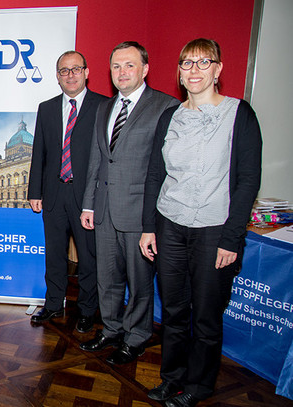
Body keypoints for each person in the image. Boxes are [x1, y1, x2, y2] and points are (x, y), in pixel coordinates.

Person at [139, 38, 261, 407]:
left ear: (218, 70)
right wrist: (148, 227)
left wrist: (231, 238)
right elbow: (155, 174)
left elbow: (247, 181)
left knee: (206, 315)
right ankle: (171, 378)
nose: (193, 70)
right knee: (174, 311)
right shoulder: (170, 116)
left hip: (214, 229)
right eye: (186, 63)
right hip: (170, 224)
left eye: (203, 62)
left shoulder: (239, 114)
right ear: (179, 71)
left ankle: (199, 385)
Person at [79, 41, 179, 365]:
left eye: (130, 65)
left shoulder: (166, 107)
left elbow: (166, 168)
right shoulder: (104, 108)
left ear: (145, 69)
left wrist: (155, 219)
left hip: (140, 215)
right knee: (107, 277)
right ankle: (111, 329)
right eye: (116, 67)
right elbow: (97, 157)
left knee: (139, 283)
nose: (122, 72)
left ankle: (136, 337)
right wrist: (88, 205)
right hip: (105, 211)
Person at [28, 51, 107, 332]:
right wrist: (34, 192)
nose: (70, 75)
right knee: (54, 254)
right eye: (64, 71)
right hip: (54, 193)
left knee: (88, 256)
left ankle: (87, 309)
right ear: (57, 76)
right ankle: (52, 304)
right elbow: (40, 152)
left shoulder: (104, 106)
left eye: (76, 69)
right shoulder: (47, 108)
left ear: (86, 72)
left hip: (88, 197)